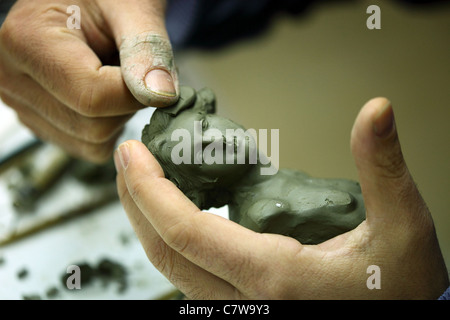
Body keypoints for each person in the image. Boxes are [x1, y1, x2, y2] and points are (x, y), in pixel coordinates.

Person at [0, 0, 448, 299]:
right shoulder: (258, 218)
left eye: (204, 126)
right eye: (193, 152)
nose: (211, 142)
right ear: (200, 192)